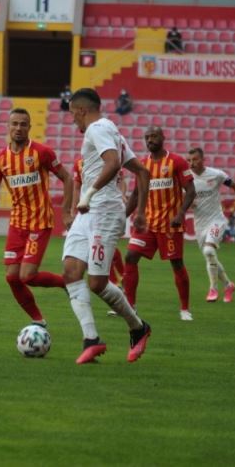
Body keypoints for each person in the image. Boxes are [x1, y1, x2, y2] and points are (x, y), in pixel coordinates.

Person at [62, 88, 152, 364]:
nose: (73, 120)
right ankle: (91, 340)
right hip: (88, 213)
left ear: (81, 110)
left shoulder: (97, 129)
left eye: (73, 114)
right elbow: (142, 171)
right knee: (71, 271)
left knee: (97, 283)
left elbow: (112, 164)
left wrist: (89, 194)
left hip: (102, 212)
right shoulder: (111, 130)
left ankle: (138, 327)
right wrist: (139, 212)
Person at [0, 108, 74, 328]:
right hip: (17, 224)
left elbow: (67, 178)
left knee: (27, 276)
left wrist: (66, 212)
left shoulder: (42, 152)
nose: (18, 128)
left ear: (29, 127)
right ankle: (38, 320)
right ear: (8, 127)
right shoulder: (0, 159)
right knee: (12, 277)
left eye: (23, 124)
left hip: (40, 221)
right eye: (14, 124)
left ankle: (66, 282)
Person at [123, 126, 196, 321]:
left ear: (163, 137)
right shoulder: (142, 165)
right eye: (147, 137)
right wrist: (122, 217)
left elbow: (191, 191)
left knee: (176, 263)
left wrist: (181, 214)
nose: (150, 140)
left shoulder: (176, 162)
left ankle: (185, 309)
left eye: (154, 136)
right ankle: (130, 307)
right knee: (130, 256)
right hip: (147, 224)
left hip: (170, 225)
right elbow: (136, 194)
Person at [187, 147, 235, 303]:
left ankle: (213, 289)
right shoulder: (186, 178)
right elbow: (181, 198)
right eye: (189, 160)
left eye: (195, 159)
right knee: (210, 256)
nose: (192, 163)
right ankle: (228, 285)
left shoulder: (216, 174)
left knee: (209, 250)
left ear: (203, 160)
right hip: (200, 224)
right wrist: (188, 203)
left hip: (216, 220)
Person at [71, 157, 126, 307]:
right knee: (95, 248)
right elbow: (76, 187)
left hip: (106, 210)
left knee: (100, 245)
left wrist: (122, 194)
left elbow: (120, 180)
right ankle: (118, 279)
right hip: (87, 210)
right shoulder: (79, 162)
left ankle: (119, 279)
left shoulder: (108, 158)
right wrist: (74, 208)